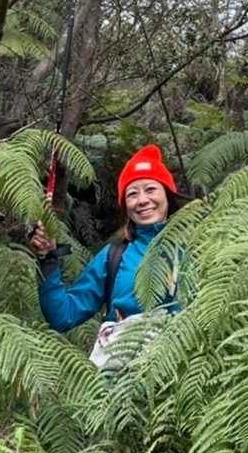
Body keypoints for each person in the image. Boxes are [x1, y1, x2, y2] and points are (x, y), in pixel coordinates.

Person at [33, 143, 182, 335]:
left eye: (151, 189)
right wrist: (48, 259)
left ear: (168, 195)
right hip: (123, 353)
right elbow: (63, 316)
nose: (143, 200)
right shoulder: (114, 256)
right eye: (132, 194)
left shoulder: (197, 246)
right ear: (125, 206)